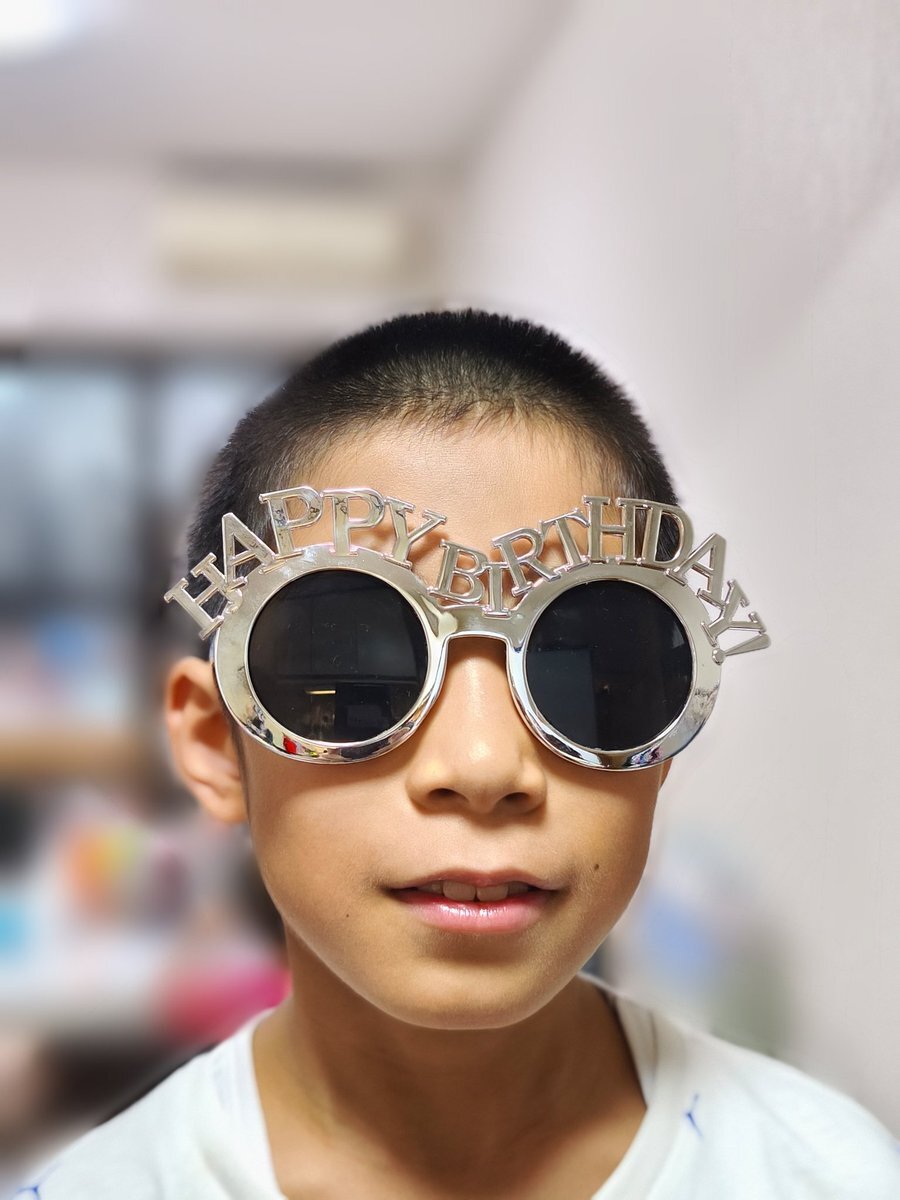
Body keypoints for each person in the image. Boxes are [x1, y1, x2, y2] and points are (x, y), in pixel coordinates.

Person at [16, 310, 898, 1198]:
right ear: (216, 745)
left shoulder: (832, 1177)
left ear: (661, 740)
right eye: (349, 680)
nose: (482, 767)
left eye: (589, 672)